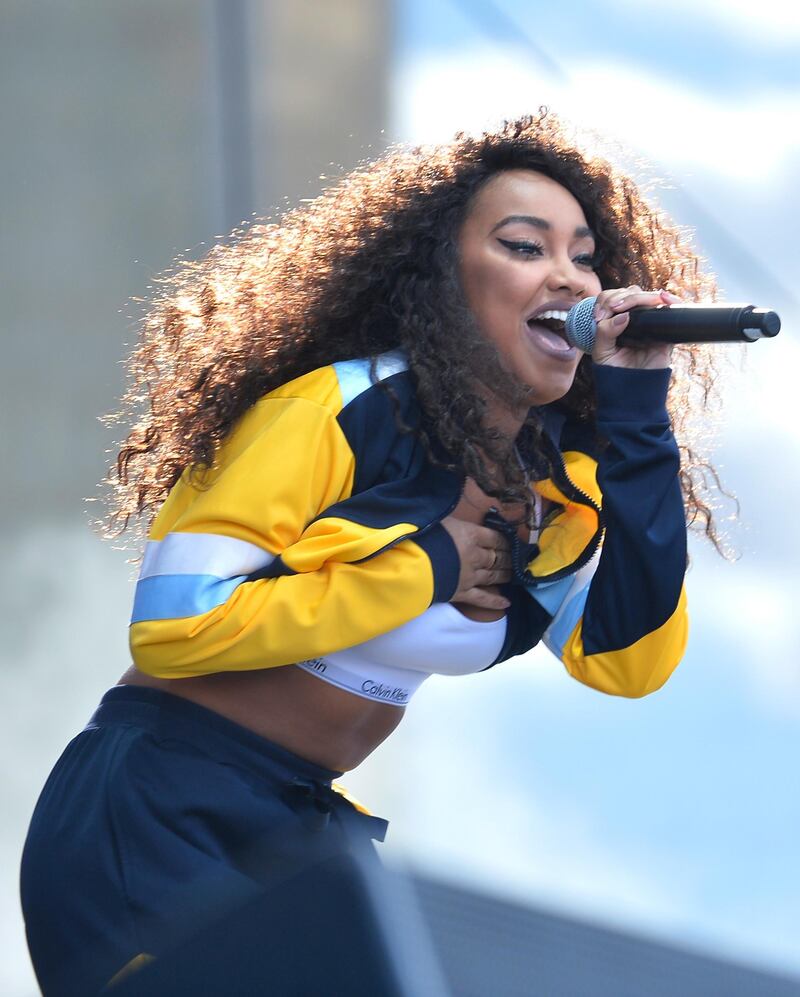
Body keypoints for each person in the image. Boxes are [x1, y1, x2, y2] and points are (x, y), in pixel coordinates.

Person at [20, 111, 722, 995]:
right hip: (160, 812)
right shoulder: (337, 410)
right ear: (441, 277)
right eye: (523, 245)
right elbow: (172, 626)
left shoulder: (553, 487)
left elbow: (627, 660)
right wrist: (425, 566)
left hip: (296, 832)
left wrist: (638, 412)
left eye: (584, 256)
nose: (568, 276)